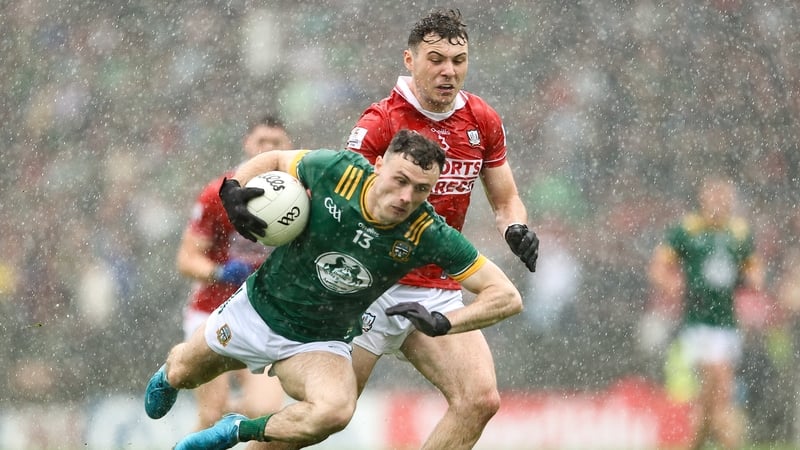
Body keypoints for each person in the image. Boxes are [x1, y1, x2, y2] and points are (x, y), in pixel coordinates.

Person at [144, 129, 523, 450]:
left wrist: (445, 320)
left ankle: (237, 429)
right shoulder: (339, 171)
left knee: (335, 411)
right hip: (256, 311)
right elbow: (275, 159)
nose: (406, 196)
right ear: (378, 166)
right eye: (400, 180)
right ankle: (168, 375)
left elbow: (506, 296)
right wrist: (235, 188)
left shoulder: (428, 233)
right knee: (184, 373)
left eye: (421, 189)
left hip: (319, 342)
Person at [343, 9, 539, 449]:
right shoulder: (380, 122)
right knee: (328, 414)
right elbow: (341, 201)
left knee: (479, 399)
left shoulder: (481, 120)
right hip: (371, 283)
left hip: (436, 288)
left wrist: (516, 228)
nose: (449, 71)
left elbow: (506, 199)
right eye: (436, 59)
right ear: (410, 61)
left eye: (459, 60)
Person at [174, 114, 292, 430]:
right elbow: (186, 259)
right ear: (247, 144)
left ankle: (233, 416)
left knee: (265, 413)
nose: (267, 149)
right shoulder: (218, 194)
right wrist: (221, 272)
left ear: (288, 148)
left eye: (275, 143)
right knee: (211, 415)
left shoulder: (300, 198)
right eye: (261, 142)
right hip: (213, 310)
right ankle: (221, 419)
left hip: (264, 315)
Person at [649, 176, 764, 450]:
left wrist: (752, 279)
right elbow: (658, 267)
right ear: (702, 199)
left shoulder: (738, 232)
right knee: (719, 384)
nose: (719, 203)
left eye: (724, 198)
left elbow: (755, 269)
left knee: (711, 402)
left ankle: (694, 444)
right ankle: (730, 443)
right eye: (713, 197)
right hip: (698, 323)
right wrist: (672, 285)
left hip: (727, 324)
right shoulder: (687, 230)